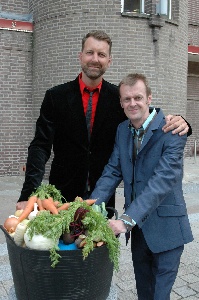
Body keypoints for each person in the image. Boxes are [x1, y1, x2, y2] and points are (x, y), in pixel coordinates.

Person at [16, 30, 190, 215]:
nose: (95, 59)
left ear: (109, 61)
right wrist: (29, 193)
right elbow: (40, 147)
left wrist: (182, 121)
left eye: (101, 55)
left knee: (100, 243)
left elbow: (144, 116)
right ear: (80, 56)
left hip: (104, 194)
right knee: (61, 244)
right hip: (62, 194)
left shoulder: (119, 98)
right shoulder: (55, 97)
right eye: (90, 53)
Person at [90, 73, 193, 300]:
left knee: (159, 296)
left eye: (137, 97)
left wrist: (125, 221)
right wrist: (91, 203)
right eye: (126, 99)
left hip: (167, 231)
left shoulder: (172, 130)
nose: (132, 103)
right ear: (121, 103)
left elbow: (162, 182)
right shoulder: (122, 130)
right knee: (144, 294)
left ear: (149, 98)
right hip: (140, 234)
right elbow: (113, 171)